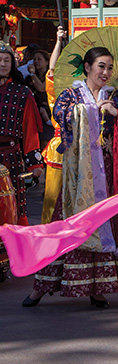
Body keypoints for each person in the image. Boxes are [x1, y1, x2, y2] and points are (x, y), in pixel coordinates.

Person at [24, 46, 118, 308]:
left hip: (109, 173)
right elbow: (60, 117)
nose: (106, 72)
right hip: (78, 177)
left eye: (110, 67)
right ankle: (41, 287)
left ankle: (98, 288)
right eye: (101, 66)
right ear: (87, 67)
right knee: (69, 224)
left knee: (104, 226)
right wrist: (90, 111)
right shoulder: (70, 94)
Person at [0, 41, 43, 226]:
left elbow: (30, 130)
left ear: (13, 64)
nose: (2, 64)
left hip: (12, 156)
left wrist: (34, 164)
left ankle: (13, 253)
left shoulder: (22, 92)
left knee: (14, 206)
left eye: (6, 60)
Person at [40, 26, 67, 225]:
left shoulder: (91, 94)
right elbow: (52, 70)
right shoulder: (57, 93)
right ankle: (48, 238)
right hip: (61, 147)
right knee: (52, 197)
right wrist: (58, 41)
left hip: (85, 149)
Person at [25, 48, 54, 149]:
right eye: (34, 59)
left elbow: (42, 88)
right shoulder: (29, 78)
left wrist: (32, 73)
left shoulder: (50, 76)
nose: (36, 62)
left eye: (39, 59)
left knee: (45, 141)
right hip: (34, 111)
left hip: (47, 111)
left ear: (47, 62)